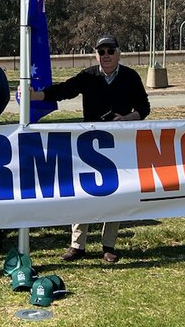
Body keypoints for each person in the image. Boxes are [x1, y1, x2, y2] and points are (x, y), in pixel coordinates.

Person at [30, 35, 151, 264]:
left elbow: (144, 108)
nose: (105, 55)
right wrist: (36, 95)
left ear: (118, 53)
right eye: (101, 51)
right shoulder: (88, 76)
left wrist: (126, 118)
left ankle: (109, 245)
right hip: (87, 143)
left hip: (117, 143)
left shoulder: (130, 77)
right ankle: (77, 245)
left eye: (110, 51)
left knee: (114, 191)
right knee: (82, 190)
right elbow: (65, 90)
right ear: (96, 54)